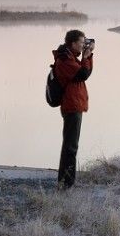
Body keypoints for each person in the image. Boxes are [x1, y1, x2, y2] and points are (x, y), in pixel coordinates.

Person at [52, 29, 94, 189]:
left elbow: (86, 71)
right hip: (71, 105)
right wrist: (86, 56)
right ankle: (66, 184)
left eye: (85, 43)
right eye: (82, 43)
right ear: (73, 43)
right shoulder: (65, 59)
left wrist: (88, 56)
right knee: (70, 146)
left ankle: (66, 181)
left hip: (75, 104)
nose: (84, 45)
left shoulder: (70, 57)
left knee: (71, 145)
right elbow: (82, 74)